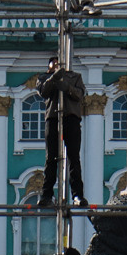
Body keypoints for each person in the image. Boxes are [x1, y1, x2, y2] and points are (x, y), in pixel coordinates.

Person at [35, 59, 88, 207]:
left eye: (60, 63)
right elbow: (44, 92)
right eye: (54, 63)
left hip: (71, 117)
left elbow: (79, 95)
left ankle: (77, 195)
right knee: (51, 158)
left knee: (73, 158)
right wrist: (54, 78)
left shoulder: (75, 77)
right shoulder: (44, 78)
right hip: (53, 118)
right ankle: (47, 195)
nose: (58, 65)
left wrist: (67, 87)